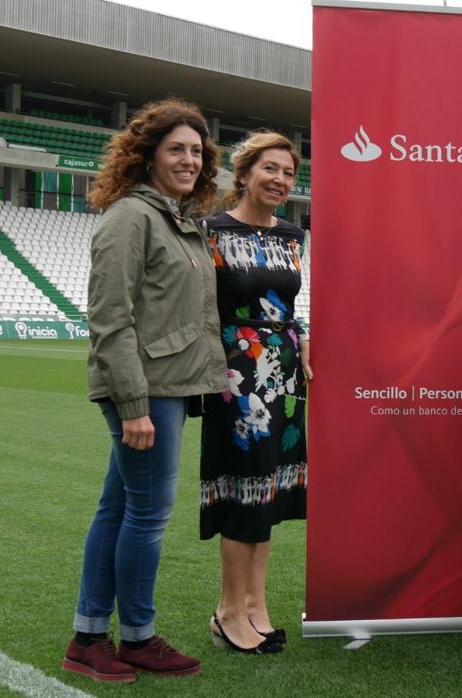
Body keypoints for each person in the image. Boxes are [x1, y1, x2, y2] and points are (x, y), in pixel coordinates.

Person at [64, 98, 226, 682]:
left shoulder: (178, 217)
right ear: (148, 155)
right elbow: (110, 318)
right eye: (176, 149)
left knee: (119, 509)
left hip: (169, 385)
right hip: (145, 390)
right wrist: (134, 407)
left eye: (196, 150)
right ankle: (135, 637)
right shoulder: (131, 217)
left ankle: (88, 637)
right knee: (148, 515)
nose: (189, 159)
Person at [199, 130, 310, 655]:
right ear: (243, 174)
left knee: (270, 491)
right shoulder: (211, 231)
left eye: (289, 173)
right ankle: (227, 611)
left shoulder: (293, 235)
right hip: (237, 374)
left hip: (284, 373)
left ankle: (255, 606)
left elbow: (287, 305)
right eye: (271, 169)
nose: (281, 180)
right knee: (246, 489)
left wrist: (303, 340)